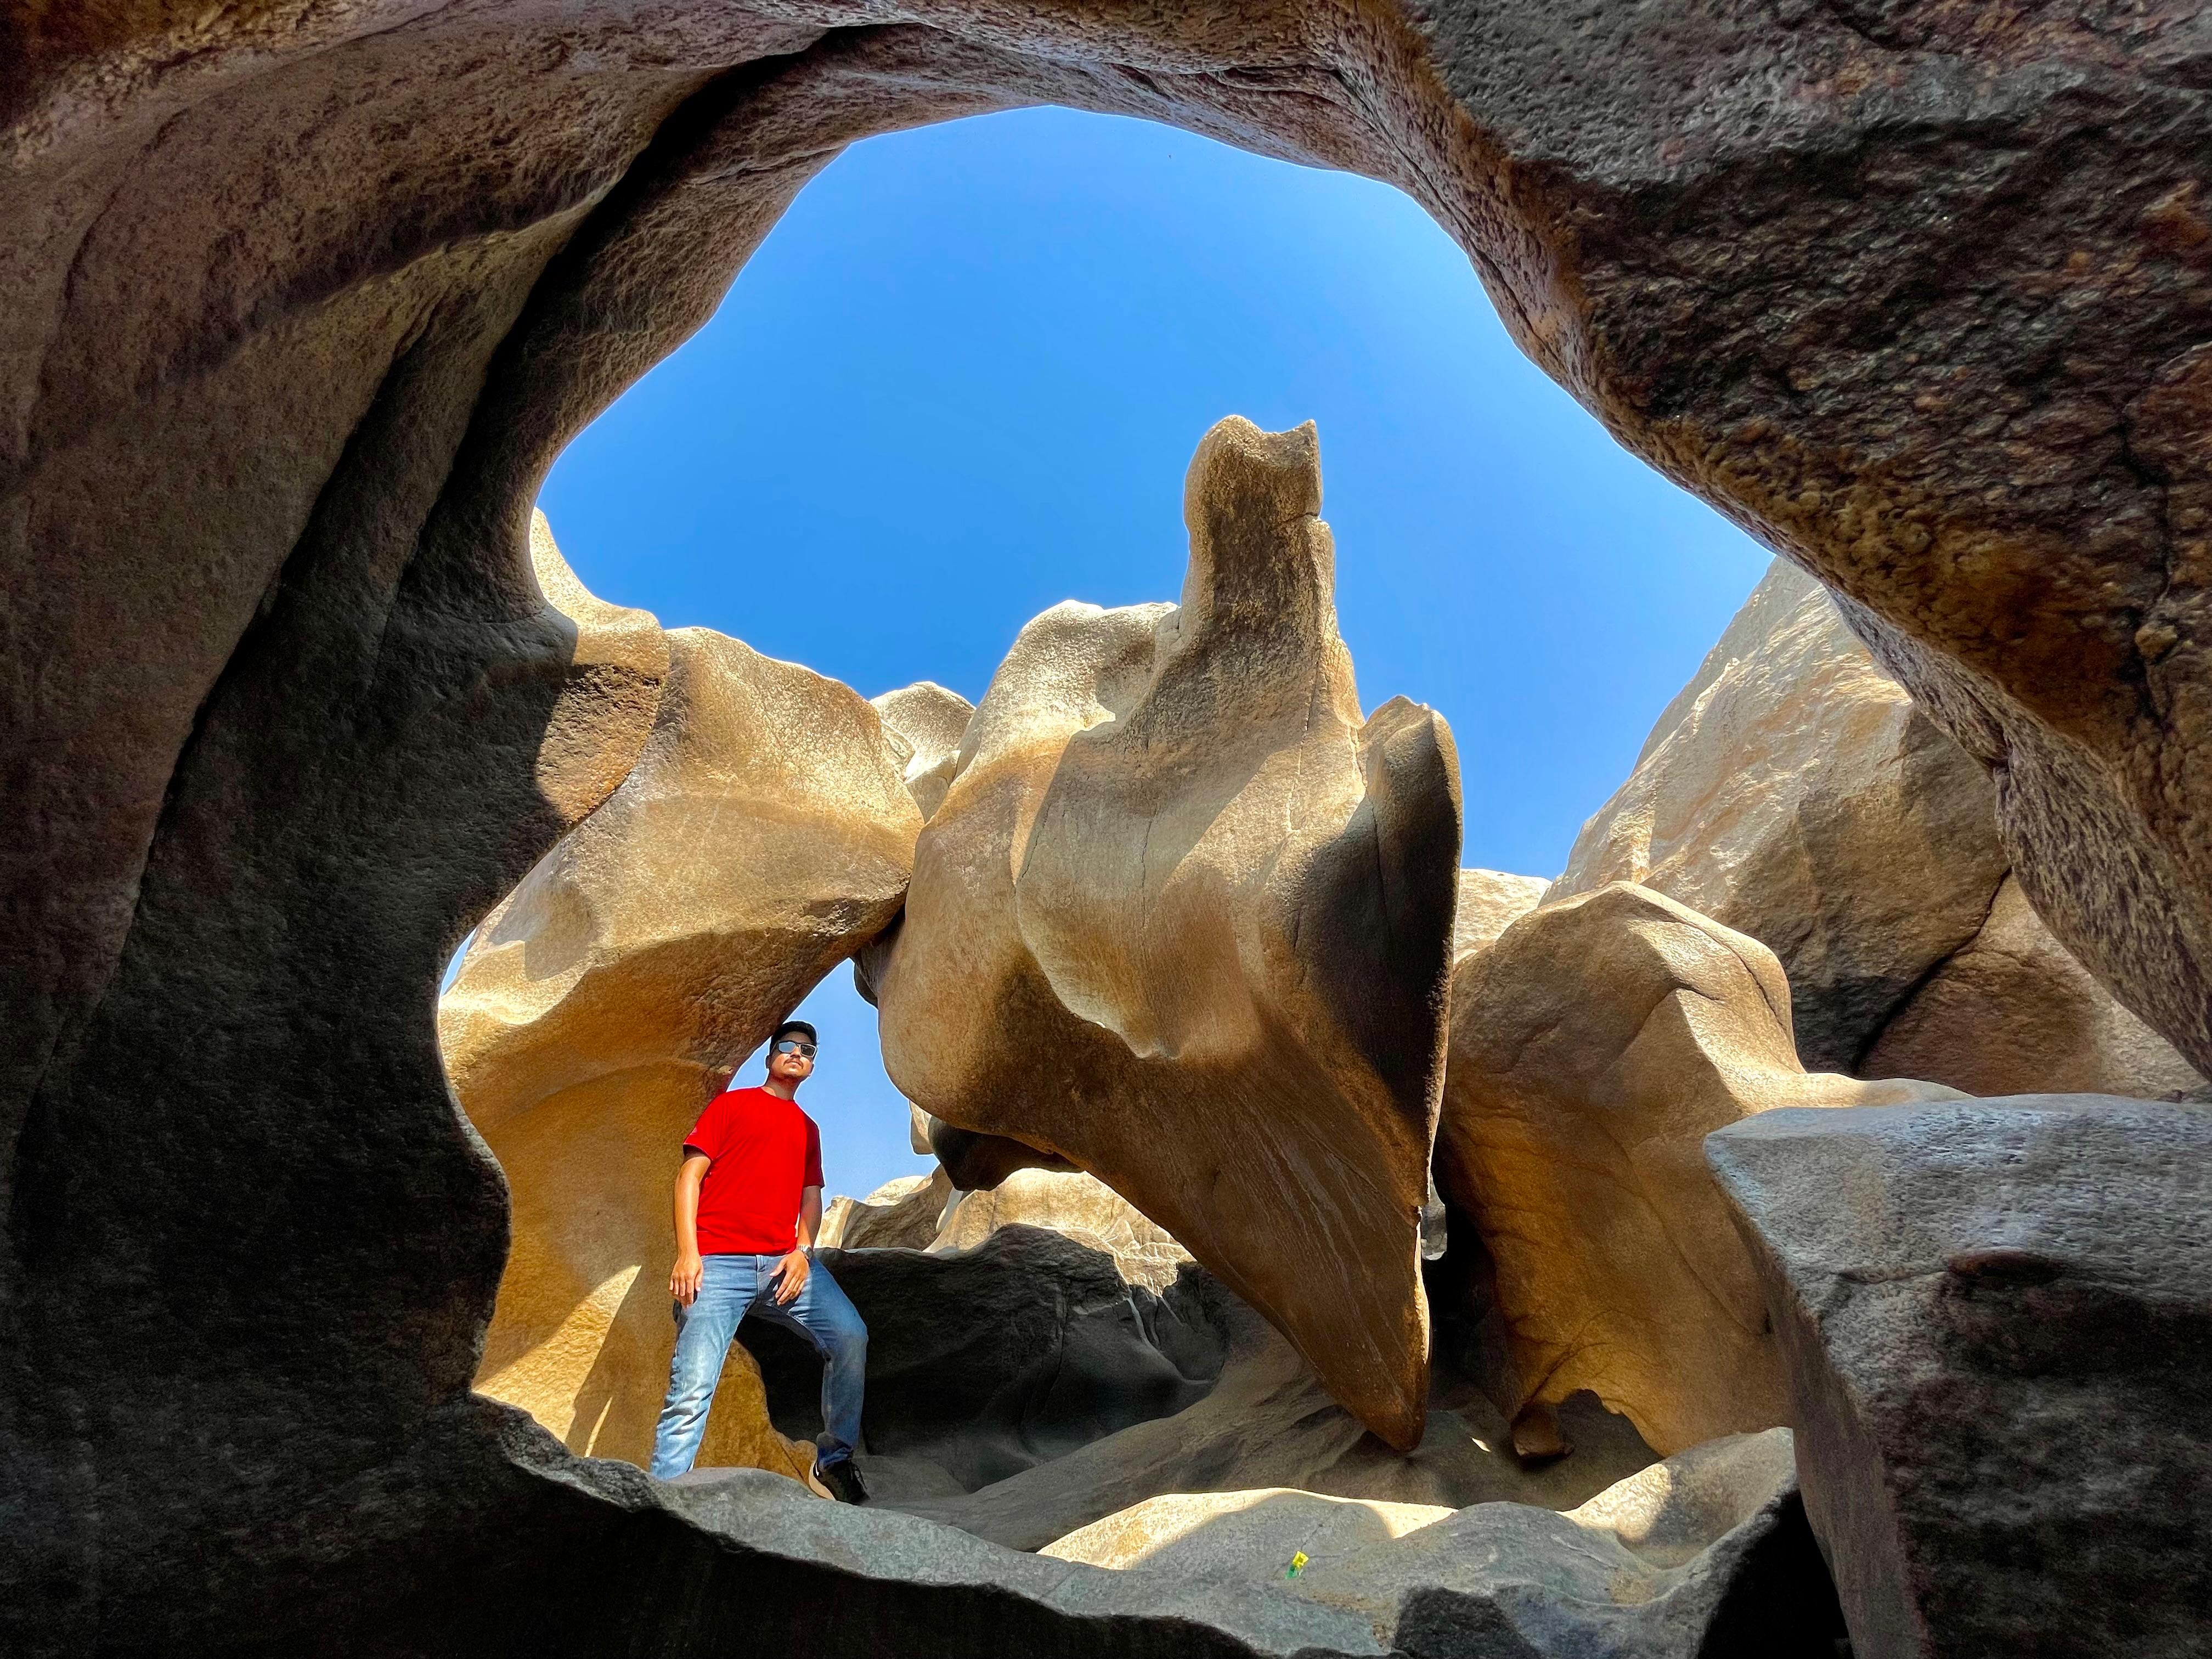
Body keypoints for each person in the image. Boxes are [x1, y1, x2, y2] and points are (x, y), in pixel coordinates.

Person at [647, 1019, 870, 1504]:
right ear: (770, 1057)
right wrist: (689, 1252)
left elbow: (811, 1200)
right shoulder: (731, 1106)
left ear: (812, 1066)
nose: (797, 1054)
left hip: (781, 1265)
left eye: (807, 1051)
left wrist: (803, 1252)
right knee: (691, 1392)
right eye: (788, 1047)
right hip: (718, 1264)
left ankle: (832, 1463)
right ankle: (663, 1502)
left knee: (850, 1335)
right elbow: (690, 1178)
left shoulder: (808, 1130)